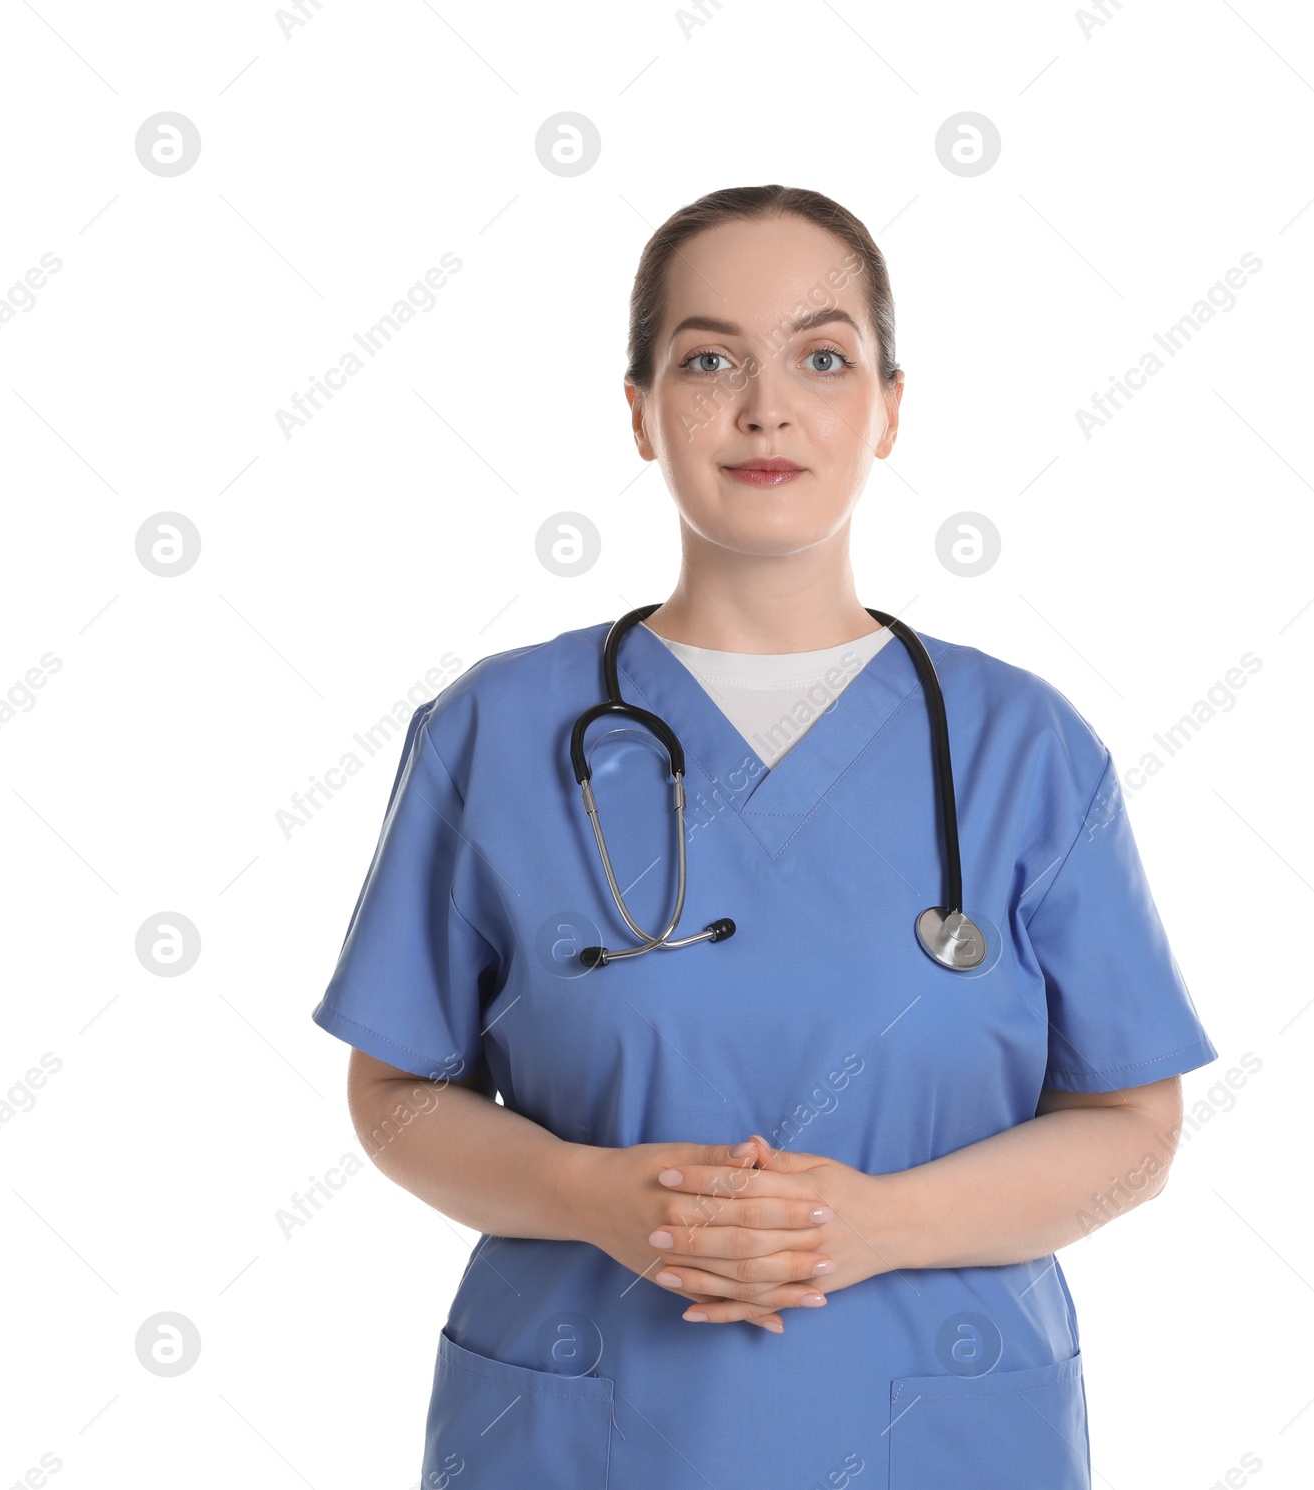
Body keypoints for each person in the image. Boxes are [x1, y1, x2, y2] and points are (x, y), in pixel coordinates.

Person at [312, 184, 1219, 1488]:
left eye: (823, 355)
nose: (765, 406)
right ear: (637, 409)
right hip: (584, 1435)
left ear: (891, 407)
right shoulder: (492, 734)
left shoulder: (1024, 745)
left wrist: (881, 1224)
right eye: (708, 358)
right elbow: (393, 1097)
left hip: (946, 1434)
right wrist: (591, 1198)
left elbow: (1136, 1124)